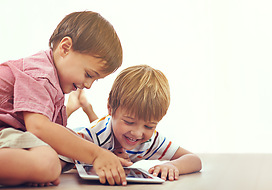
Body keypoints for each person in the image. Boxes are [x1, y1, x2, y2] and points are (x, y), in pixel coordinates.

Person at [0, 11, 133, 187]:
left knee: (65, 149)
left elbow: (55, 133)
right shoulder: (41, 74)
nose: (88, 85)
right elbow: (39, 128)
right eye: (88, 74)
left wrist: (103, 154)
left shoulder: (52, 82)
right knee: (47, 162)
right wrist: (96, 155)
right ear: (65, 48)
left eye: (95, 79)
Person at [68, 65, 202, 181]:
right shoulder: (91, 135)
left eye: (149, 126)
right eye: (129, 122)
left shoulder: (150, 140)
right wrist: (99, 159)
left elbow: (194, 160)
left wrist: (173, 166)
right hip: (80, 132)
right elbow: (63, 154)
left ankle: (87, 107)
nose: (137, 133)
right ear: (110, 107)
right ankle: (74, 107)